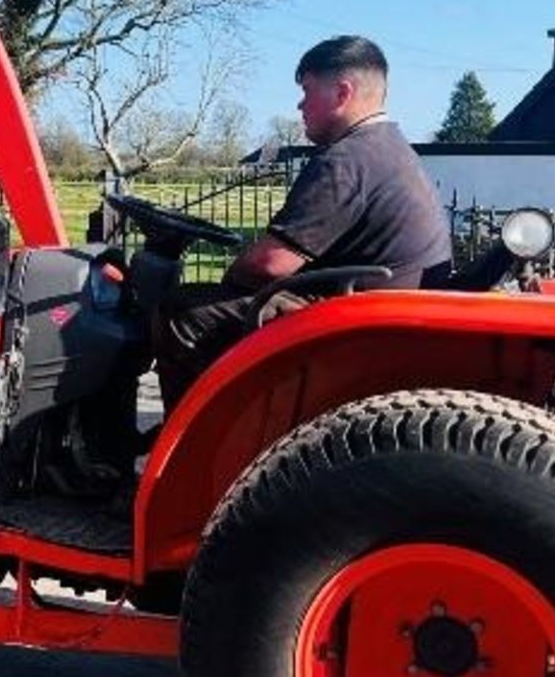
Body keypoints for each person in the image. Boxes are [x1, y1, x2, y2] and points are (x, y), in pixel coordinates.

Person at [152, 35, 453, 409]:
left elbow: (270, 263)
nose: (300, 104)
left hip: (357, 318)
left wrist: (231, 276)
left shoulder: (344, 161)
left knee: (180, 313)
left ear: (342, 93)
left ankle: (196, 454)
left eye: (307, 90)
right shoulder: (388, 148)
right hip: (386, 309)